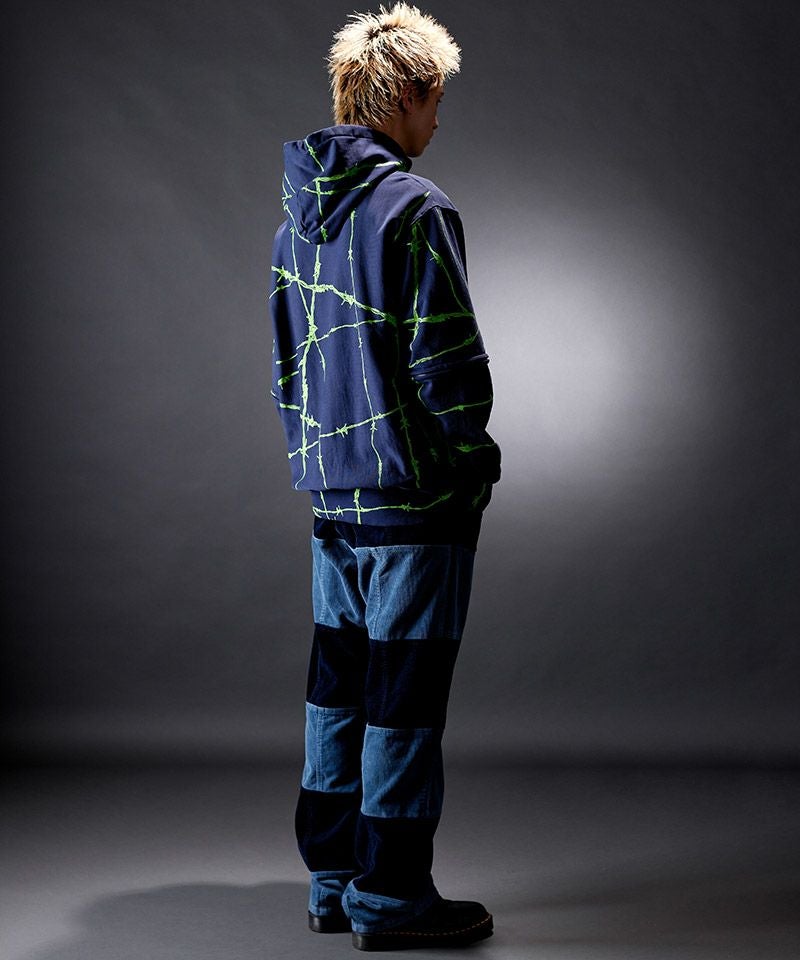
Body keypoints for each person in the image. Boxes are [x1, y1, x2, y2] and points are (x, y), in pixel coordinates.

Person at [268, 2, 501, 950]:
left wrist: (322, 469)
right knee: (402, 702)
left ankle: (333, 882)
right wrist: (473, 464)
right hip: (414, 500)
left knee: (338, 692)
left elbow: (288, 371)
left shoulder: (294, 224)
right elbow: (448, 364)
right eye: (435, 101)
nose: (438, 121)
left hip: (332, 497)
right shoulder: (416, 208)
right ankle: (393, 897)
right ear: (405, 95)